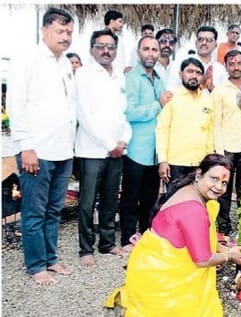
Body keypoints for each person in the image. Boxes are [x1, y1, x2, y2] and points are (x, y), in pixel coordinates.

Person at [106, 154, 241, 316]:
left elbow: (197, 237)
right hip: (161, 283)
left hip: (147, 267)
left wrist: (223, 249)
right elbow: (202, 260)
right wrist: (230, 257)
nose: (219, 187)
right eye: (214, 179)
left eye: (224, 182)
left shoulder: (189, 188)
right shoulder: (194, 209)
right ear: (199, 175)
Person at [7, 7, 76, 285]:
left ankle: (50, 259)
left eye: (69, 32)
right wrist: (26, 146)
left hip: (62, 151)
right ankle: (36, 266)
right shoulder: (28, 59)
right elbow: (16, 104)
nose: (66, 36)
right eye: (60, 31)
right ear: (45, 30)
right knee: (34, 212)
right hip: (37, 151)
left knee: (53, 210)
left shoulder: (64, 63)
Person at [75, 29, 132, 266]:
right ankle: (85, 249)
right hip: (92, 150)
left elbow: (123, 114)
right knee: (87, 202)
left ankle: (107, 243)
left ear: (116, 51)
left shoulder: (119, 76)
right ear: (91, 49)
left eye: (110, 47)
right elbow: (85, 115)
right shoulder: (83, 74)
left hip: (117, 150)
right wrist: (110, 144)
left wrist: (123, 141)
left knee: (110, 198)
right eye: (100, 46)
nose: (106, 50)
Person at [119, 35, 171, 252]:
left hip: (155, 150)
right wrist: (157, 104)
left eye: (154, 50)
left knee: (151, 197)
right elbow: (129, 112)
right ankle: (127, 239)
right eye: (146, 49)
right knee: (131, 197)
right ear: (139, 52)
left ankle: (147, 236)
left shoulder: (160, 79)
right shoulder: (131, 78)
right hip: (136, 149)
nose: (151, 53)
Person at [212, 50, 241, 235]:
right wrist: (219, 152)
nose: (236, 67)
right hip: (226, 147)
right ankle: (223, 227)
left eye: (239, 63)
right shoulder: (220, 90)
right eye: (232, 63)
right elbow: (216, 122)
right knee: (224, 190)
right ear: (226, 66)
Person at [157, 57, 215, 186]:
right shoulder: (171, 97)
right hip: (176, 163)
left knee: (196, 203)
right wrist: (163, 160)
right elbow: (162, 130)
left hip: (200, 163)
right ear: (180, 74)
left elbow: (210, 131)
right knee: (175, 202)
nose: (194, 76)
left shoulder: (208, 100)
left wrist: (210, 160)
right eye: (190, 71)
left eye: (198, 73)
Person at [167, 26, 227, 93]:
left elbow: (224, 96)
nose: (204, 43)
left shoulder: (220, 69)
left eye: (209, 40)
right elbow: (171, 90)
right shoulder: (180, 62)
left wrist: (211, 88)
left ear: (216, 44)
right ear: (196, 43)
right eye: (200, 39)